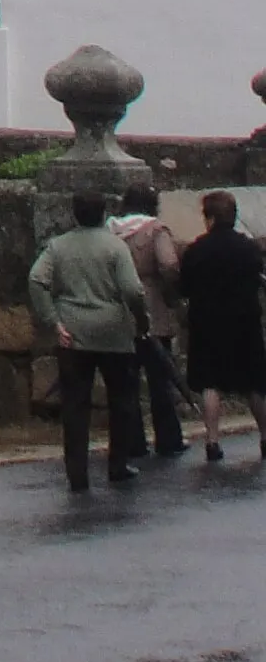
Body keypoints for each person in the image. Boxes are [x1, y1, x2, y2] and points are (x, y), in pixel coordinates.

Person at [30, 184, 149, 491]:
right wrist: (140, 319)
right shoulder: (115, 247)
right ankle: (118, 464)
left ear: (75, 214)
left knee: (75, 405)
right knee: (121, 400)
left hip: (73, 333)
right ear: (104, 213)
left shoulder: (58, 247)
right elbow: (133, 290)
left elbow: (37, 279)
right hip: (114, 332)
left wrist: (52, 320)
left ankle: (77, 473)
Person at [176, 191, 266, 461]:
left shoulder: (196, 250)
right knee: (254, 383)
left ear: (211, 218)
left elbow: (184, 287)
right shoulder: (248, 249)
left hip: (207, 322)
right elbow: (256, 279)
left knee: (210, 383)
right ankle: (265, 436)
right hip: (245, 321)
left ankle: (213, 440)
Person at [113, 179, 189, 458]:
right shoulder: (155, 230)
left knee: (127, 383)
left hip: (120, 315)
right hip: (153, 311)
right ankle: (168, 438)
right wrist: (173, 294)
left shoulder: (111, 230)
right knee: (161, 380)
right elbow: (168, 264)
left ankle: (133, 441)